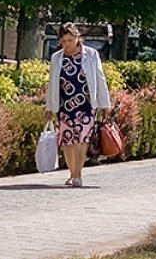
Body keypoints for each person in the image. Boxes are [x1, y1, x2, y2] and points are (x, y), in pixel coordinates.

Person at [45, 23, 111, 188]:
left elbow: (100, 79)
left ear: (77, 38)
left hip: (86, 105)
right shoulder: (56, 58)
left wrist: (105, 104)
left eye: (70, 40)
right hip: (64, 105)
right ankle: (72, 172)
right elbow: (52, 84)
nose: (67, 44)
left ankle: (78, 174)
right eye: (64, 41)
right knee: (67, 141)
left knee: (82, 140)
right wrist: (49, 108)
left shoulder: (91, 54)